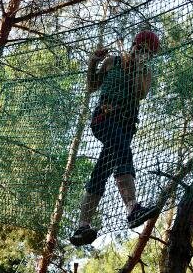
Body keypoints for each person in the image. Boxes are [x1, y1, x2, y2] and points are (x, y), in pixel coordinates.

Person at [70, 30, 161, 246]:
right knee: (122, 151)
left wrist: (139, 68)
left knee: (102, 170)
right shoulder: (113, 62)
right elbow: (92, 86)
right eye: (140, 49)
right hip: (104, 118)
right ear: (133, 46)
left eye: (148, 53)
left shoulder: (146, 73)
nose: (143, 54)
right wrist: (93, 62)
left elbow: (140, 93)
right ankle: (132, 208)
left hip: (126, 127)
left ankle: (82, 226)